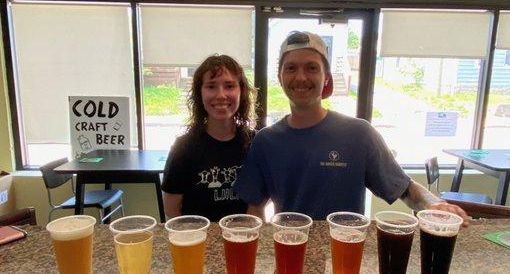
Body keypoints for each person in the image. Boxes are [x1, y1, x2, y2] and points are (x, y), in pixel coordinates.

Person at [235, 31, 467, 223]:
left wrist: (434, 204)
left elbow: (404, 188)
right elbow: (254, 209)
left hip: (346, 253)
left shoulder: (359, 134)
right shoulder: (266, 140)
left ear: (326, 77)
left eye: (312, 68)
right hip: (289, 252)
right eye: (291, 68)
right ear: (280, 76)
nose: (301, 77)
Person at [162, 55, 256, 222]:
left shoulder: (255, 143)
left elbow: (258, 205)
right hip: (197, 240)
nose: (221, 95)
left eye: (229, 86)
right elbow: (171, 209)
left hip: (242, 238)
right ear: (200, 93)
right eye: (211, 86)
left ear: (241, 91)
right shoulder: (183, 147)